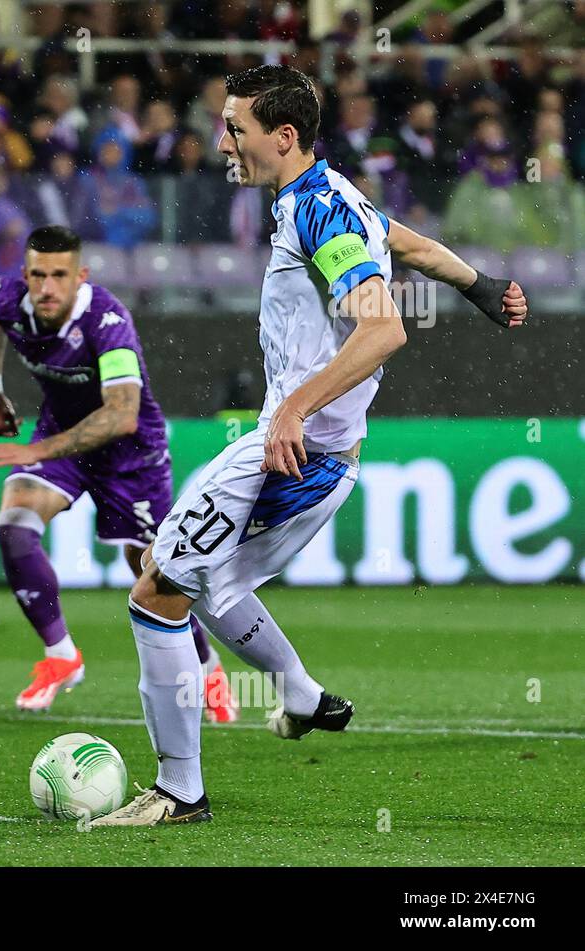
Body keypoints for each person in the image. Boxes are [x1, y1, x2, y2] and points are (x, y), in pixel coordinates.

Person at [95, 65, 528, 827]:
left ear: (283, 136)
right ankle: (298, 694)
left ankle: (177, 793)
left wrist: (293, 407)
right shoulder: (329, 195)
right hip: (327, 460)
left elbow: (384, 327)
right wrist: (479, 285)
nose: (223, 140)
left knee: (158, 588)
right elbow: (406, 242)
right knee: (216, 587)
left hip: (293, 446)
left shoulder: (319, 211)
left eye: (236, 128)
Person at [0, 225, 236, 718]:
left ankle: (207, 665)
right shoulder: (5, 300)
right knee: (15, 526)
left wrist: (37, 450)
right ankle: (60, 656)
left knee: (154, 571)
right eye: (37, 275)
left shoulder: (106, 319)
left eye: (58, 276)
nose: (46, 288)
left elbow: (121, 414)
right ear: (24, 275)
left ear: (80, 276)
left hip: (130, 453)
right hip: (64, 437)